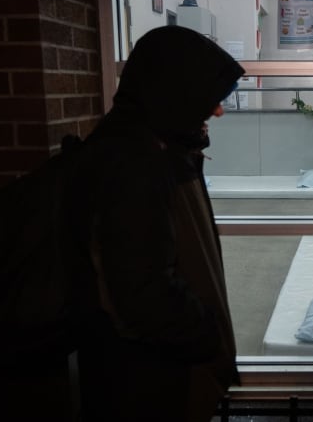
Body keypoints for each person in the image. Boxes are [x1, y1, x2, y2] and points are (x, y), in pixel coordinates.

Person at [68, 26, 245, 421]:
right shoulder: (134, 164)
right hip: (148, 380)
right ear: (175, 91)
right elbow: (142, 292)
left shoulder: (153, 147)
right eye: (210, 97)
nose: (217, 110)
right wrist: (206, 337)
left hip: (149, 370)